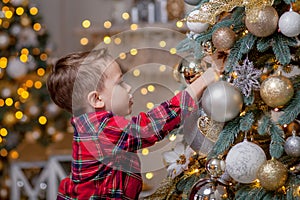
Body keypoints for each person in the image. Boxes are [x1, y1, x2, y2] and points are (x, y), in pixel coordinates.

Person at [46, 48, 219, 200]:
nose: (128, 87)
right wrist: (203, 82)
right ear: (97, 99)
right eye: (120, 83)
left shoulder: (95, 125)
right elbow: (150, 126)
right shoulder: (99, 129)